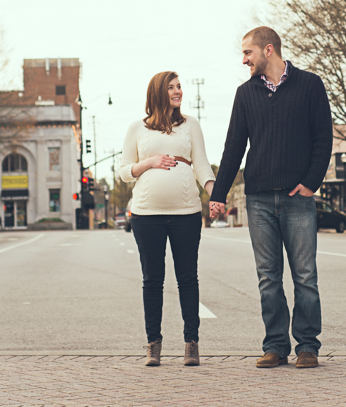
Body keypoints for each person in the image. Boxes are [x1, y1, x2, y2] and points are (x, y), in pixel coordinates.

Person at [208, 27, 332, 369]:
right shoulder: (245, 94)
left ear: (269, 50)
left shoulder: (310, 85)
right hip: (259, 199)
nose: (244, 60)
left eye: (247, 53)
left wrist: (311, 183)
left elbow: (323, 138)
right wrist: (218, 195)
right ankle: (275, 346)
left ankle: (307, 346)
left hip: (298, 199)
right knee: (268, 277)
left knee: (305, 275)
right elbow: (233, 148)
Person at [119, 71, 215, 367]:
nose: (178, 92)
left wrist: (215, 194)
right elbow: (123, 172)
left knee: (188, 278)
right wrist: (148, 162)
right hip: (147, 215)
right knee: (152, 280)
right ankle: (153, 345)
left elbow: (201, 165)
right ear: (159, 93)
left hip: (186, 214)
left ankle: (191, 343)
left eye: (180, 87)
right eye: (172, 88)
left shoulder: (190, 125)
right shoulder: (138, 128)